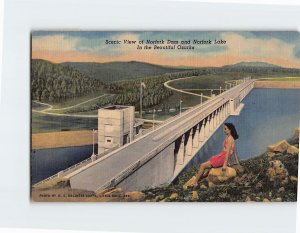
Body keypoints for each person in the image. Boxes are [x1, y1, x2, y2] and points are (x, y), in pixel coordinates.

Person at [192, 122, 240, 186]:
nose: (224, 130)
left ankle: (195, 182)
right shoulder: (229, 137)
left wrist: (225, 164)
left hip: (222, 158)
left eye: (225, 129)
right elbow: (234, 151)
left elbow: (228, 152)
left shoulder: (230, 139)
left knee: (202, 166)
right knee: (206, 168)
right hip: (221, 156)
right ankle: (201, 178)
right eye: (224, 128)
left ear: (230, 130)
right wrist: (237, 162)